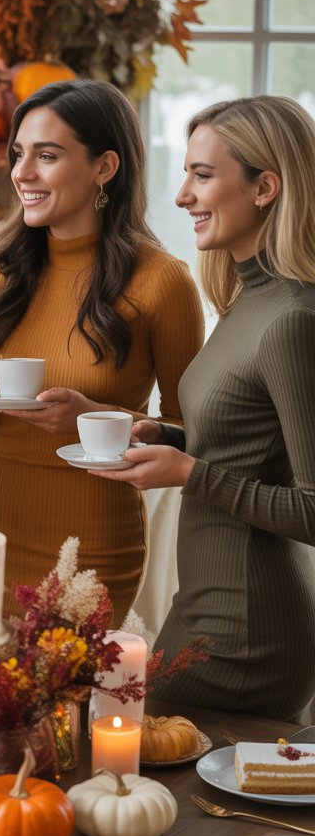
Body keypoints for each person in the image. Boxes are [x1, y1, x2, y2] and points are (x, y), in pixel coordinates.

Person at [92, 95, 315, 719]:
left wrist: (190, 473)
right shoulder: (249, 300)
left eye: (203, 175)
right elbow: (251, 448)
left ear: (266, 186)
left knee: (127, 759)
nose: (183, 195)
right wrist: (170, 438)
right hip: (209, 606)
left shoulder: (293, 318)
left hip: (248, 630)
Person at [0, 79, 204, 623]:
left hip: (94, 539)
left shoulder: (162, 282)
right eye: (19, 154)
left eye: (47, 155)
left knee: (72, 706)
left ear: (104, 167)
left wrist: (90, 417)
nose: (22, 172)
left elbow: (193, 432)